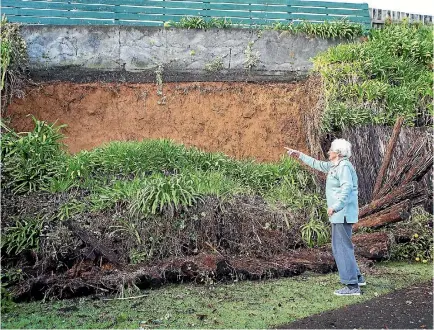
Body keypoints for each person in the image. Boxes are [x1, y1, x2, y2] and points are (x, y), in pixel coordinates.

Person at [285, 139, 366, 296]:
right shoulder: (336, 165)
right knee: (344, 246)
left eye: (331, 150)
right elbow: (318, 165)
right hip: (340, 214)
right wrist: (299, 155)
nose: (328, 152)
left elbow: (347, 188)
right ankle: (357, 277)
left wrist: (336, 206)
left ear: (338, 153)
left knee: (341, 248)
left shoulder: (343, 167)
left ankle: (352, 286)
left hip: (341, 214)